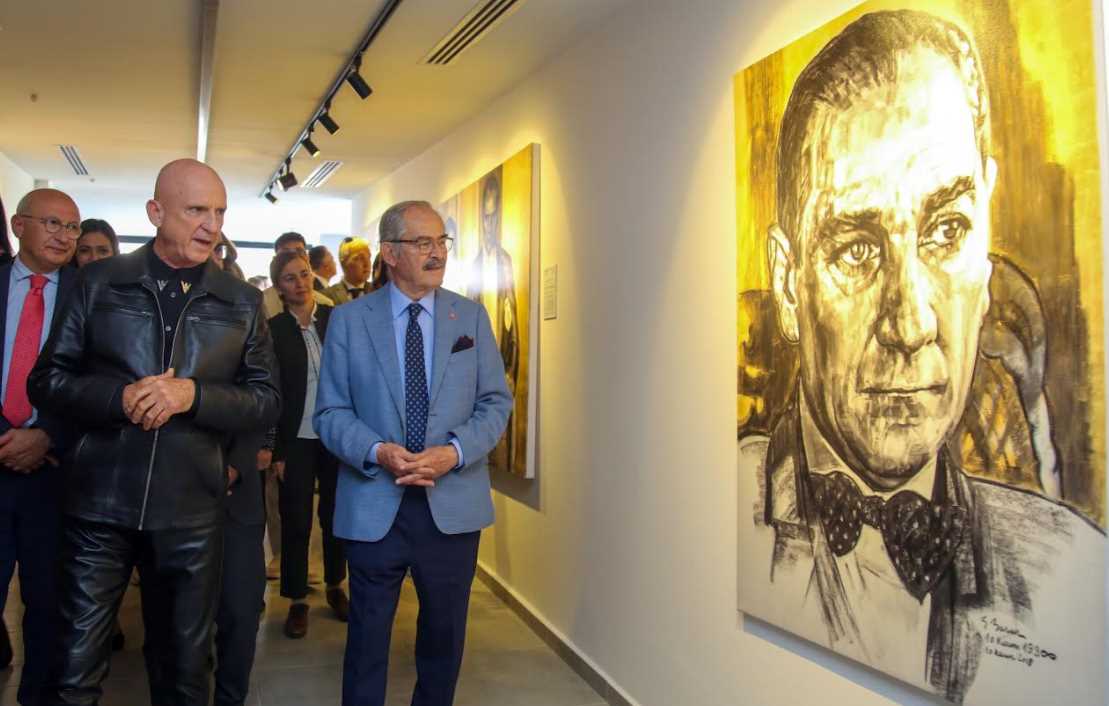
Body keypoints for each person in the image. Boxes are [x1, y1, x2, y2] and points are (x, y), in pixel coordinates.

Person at [738, 10, 1105, 704]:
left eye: (946, 230)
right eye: (855, 250)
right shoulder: (720, 513)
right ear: (788, 285)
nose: (910, 324)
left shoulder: (1077, 574)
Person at [29, 158, 280, 706]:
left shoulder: (241, 301)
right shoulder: (98, 282)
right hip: (99, 506)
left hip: (191, 513)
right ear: (156, 212)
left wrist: (194, 396)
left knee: (184, 674)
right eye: (196, 210)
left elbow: (266, 400)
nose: (211, 225)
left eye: (219, 212)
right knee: (73, 672)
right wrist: (118, 399)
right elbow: (46, 381)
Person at [316, 200, 512, 706]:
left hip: (451, 508)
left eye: (441, 241)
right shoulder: (349, 321)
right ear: (390, 253)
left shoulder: (469, 316)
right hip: (373, 504)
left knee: (444, 641)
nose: (437, 252)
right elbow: (330, 413)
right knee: (366, 642)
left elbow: (496, 402)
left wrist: (454, 452)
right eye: (423, 242)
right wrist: (377, 450)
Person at [0, 189, 80, 705]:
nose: (64, 236)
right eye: (52, 223)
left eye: (72, 227)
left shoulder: (90, 295)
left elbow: (100, 382)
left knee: (48, 605)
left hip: (55, 476)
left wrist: (48, 433)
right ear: (18, 225)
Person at [268, 251, 347, 639]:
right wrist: (277, 451)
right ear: (278, 288)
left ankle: (335, 585)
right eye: (290, 278)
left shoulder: (337, 320)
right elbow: (271, 393)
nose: (300, 283)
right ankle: (297, 599)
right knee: (296, 520)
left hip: (336, 437)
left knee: (336, 517)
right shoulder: (273, 330)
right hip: (295, 439)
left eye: (304, 274)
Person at [208, 243, 268, 706]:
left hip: (239, 492)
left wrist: (237, 463)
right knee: (179, 620)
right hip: (177, 491)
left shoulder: (253, 325)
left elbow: (265, 403)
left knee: (241, 611)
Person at [465, 171, 520, 474]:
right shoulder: (476, 265)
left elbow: (512, 322)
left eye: (493, 217)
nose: (489, 225)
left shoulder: (504, 262)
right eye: (485, 218)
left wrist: (507, 365)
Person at [262, 232, 331, 318]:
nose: (294, 257)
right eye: (286, 254)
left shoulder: (326, 304)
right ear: (275, 260)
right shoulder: (262, 303)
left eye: (299, 252)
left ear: (307, 257)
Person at [323, 236, 372, 305]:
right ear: (344, 263)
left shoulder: (379, 292)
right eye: (360, 258)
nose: (367, 264)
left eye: (369, 257)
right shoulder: (326, 296)